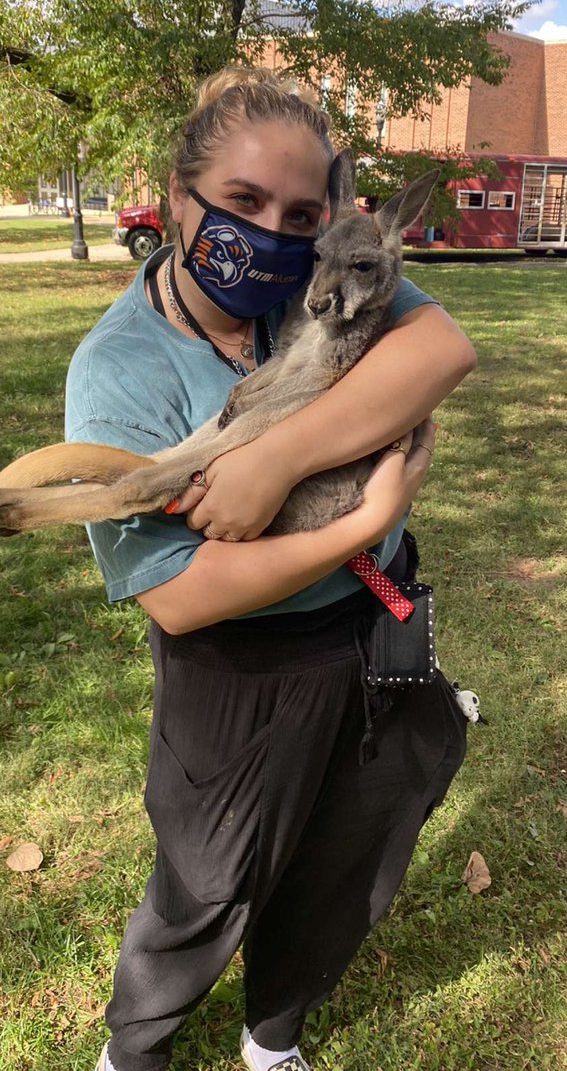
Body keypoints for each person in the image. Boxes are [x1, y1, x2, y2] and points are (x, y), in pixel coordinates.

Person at [64, 66, 477, 1071]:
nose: (273, 235)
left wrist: (280, 458)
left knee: (354, 848)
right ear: (178, 196)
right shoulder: (122, 366)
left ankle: (273, 1030)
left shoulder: (327, 270)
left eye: (298, 211)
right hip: (247, 664)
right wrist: (362, 517)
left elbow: (442, 349)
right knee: (210, 879)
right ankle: (138, 1045)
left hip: (375, 625)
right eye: (242, 204)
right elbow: (179, 591)